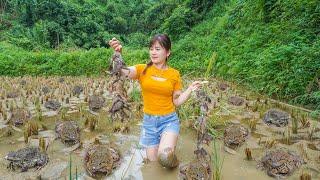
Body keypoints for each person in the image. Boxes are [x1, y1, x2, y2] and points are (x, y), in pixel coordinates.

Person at [108, 34, 201, 168]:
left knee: (164, 157)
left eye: (157, 49)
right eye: (151, 48)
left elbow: (177, 101)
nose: (153, 52)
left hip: (169, 121)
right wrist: (117, 54)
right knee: (152, 163)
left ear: (168, 52)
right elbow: (122, 72)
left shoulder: (174, 74)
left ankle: (179, 168)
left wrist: (190, 89)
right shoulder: (142, 69)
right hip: (149, 123)